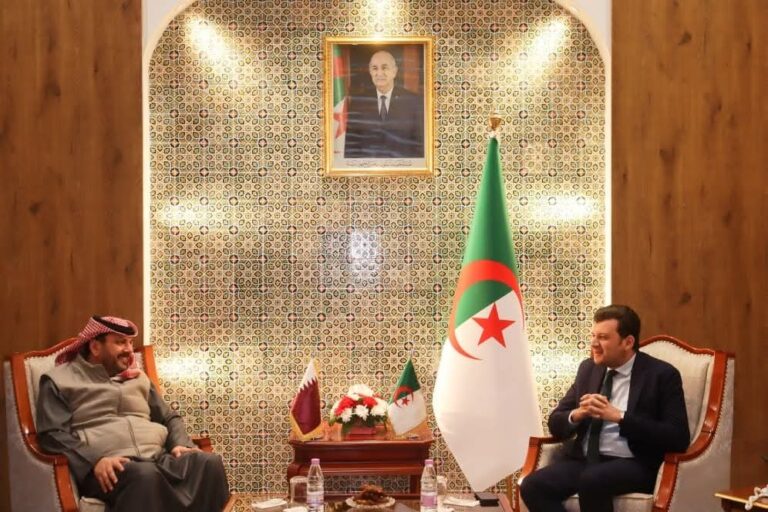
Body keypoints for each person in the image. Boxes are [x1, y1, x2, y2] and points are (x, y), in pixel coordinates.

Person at [36, 315, 230, 512]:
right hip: (109, 468)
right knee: (145, 475)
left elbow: (168, 417)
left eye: (130, 342)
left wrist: (179, 443)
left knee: (209, 463)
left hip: (157, 458)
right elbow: (52, 434)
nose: (129, 350)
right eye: (120, 342)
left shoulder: (138, 377)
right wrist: (94, 460)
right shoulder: (59, 380)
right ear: (95, 347)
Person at [520, 305, 690, 512]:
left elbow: (678, 437)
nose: (594, 343)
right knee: (532, 486)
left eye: (603, 337)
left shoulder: (662, 375)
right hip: (585, 460)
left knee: (592, 480)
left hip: (634, 462)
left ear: (628, 342)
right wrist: (577, 414)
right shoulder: (588, 369)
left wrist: (620, 417)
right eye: (593, 336)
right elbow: (555, 422)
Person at [344, 49, 424, 159]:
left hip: (403, 166)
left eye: (385, 68)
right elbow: (351, 145)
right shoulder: (359, 102)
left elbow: (420, 145)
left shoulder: (413, 101)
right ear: (370, 72)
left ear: (394, 71)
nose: (379, 73)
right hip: (367, 167)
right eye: (375, 68)